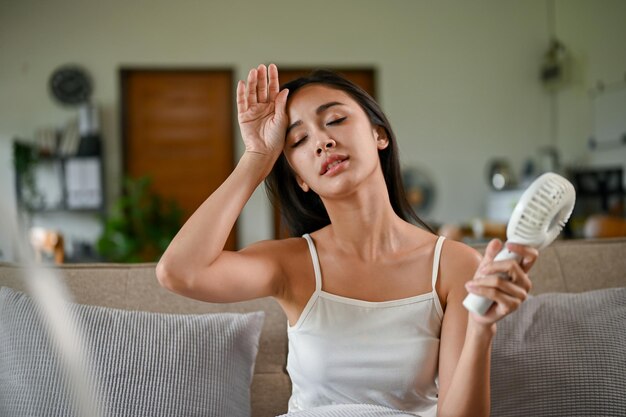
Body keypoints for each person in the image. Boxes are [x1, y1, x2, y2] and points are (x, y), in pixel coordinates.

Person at [156, 63, 538, 417]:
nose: (321, 141)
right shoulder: (291, 264)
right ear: (300, 178)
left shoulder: (454, 265)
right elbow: (179, 272)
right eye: (299, 140)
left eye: (335, 119)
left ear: (379, 134)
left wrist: (482, 330)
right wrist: (258, 156)